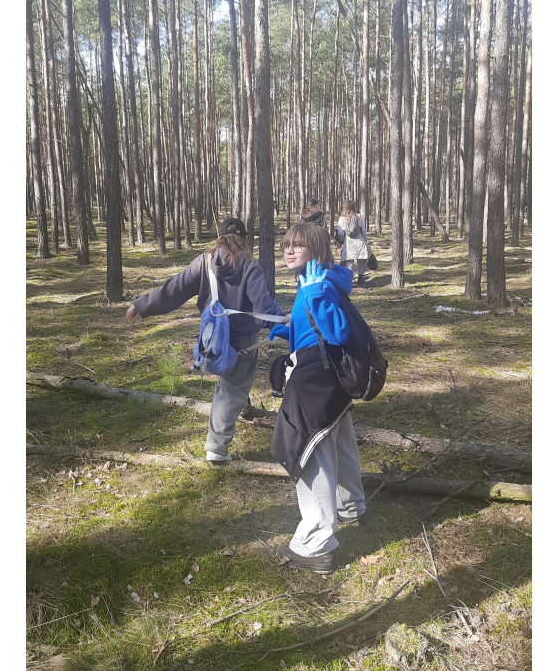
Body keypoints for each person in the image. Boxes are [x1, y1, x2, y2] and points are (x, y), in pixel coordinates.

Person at [125, 218, 286, 465]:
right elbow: (263, 307)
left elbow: (173, 290)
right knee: (233, 387)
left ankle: (243, 408)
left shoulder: (203, 262)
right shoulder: (250, 266)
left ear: (219, 238)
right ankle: (216, 448)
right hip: (242, 340)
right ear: (244, 239)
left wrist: (142, 304)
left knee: (234, 384)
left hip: (212, 339)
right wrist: (285, 324)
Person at [265, 222, 366, 574]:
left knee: (310, 453)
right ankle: (351, 507)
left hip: (315, 381)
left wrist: (316, 296)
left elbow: (337, 332)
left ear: (317, 250)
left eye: (297, 245)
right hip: (328, 376)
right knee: (340, 441)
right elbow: (316, 326)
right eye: (286, 245)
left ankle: (316, 545)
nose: (288, 250)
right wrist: (286, 330)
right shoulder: (317, 279)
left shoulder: (317, 284)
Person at [336, 200, 370, 284]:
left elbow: (340, 232)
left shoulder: (342, 218)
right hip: (359, 240)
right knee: (361, 260)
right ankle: (360, 278)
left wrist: (342, 241)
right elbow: (363, 230)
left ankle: (349, 280)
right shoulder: (359, 216)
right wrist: (365, 240)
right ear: (354, 207)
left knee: (349, 262)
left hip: (348, 242)